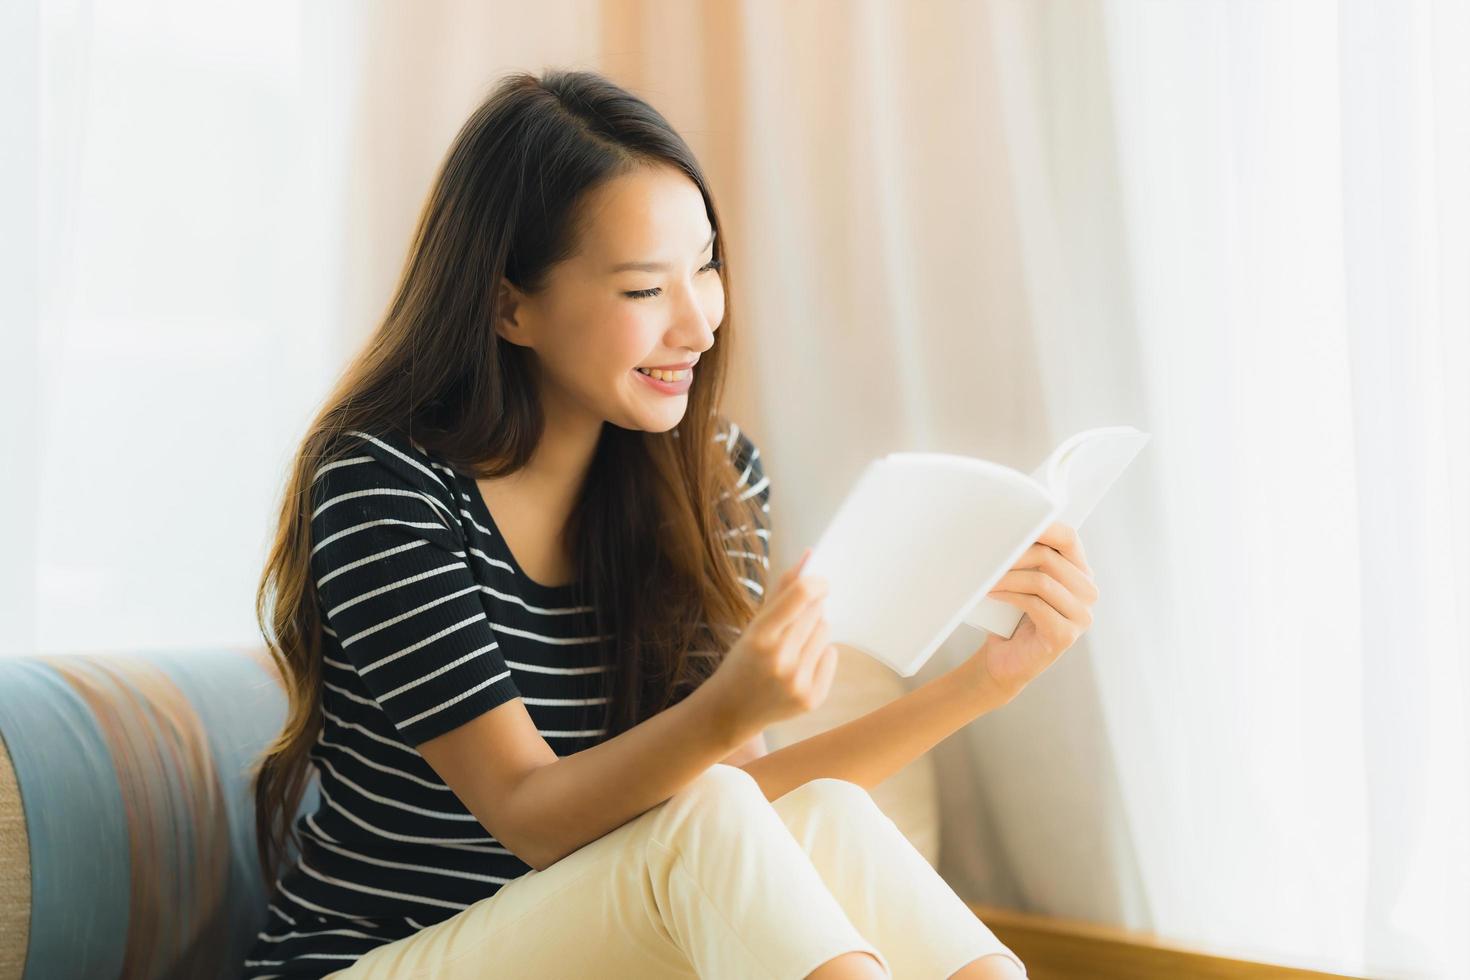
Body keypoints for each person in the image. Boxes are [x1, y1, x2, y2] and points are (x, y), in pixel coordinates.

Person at [242, 68, 1060, 979]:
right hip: (376, 962)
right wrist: (732, 707)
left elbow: (744, 804)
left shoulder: (713, 480)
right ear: (511, 304)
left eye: (704, 266)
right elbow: (530, 817)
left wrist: (985, 682)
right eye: (642, 291)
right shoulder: (381, 486)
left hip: (599, 946)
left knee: (821, 815)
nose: (698, 325)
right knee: (710, 812)